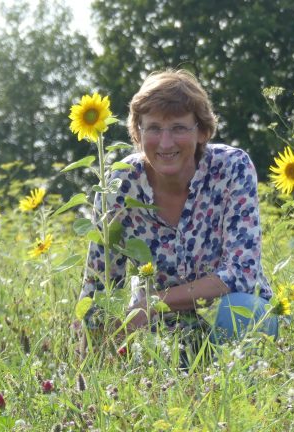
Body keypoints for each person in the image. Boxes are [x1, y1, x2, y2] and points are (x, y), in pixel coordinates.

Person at [79, 69, 277, 343]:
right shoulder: (120, 185)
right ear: (138, 133)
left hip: (232, 316)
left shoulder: (231, 168)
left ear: (202, 131)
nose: (166, 142)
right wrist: (85, 366)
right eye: (154, 128)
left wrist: (154, 302)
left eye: (179, 128)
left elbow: (241, 272)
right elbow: (98, 286)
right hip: (160, 333)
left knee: (239, 314)